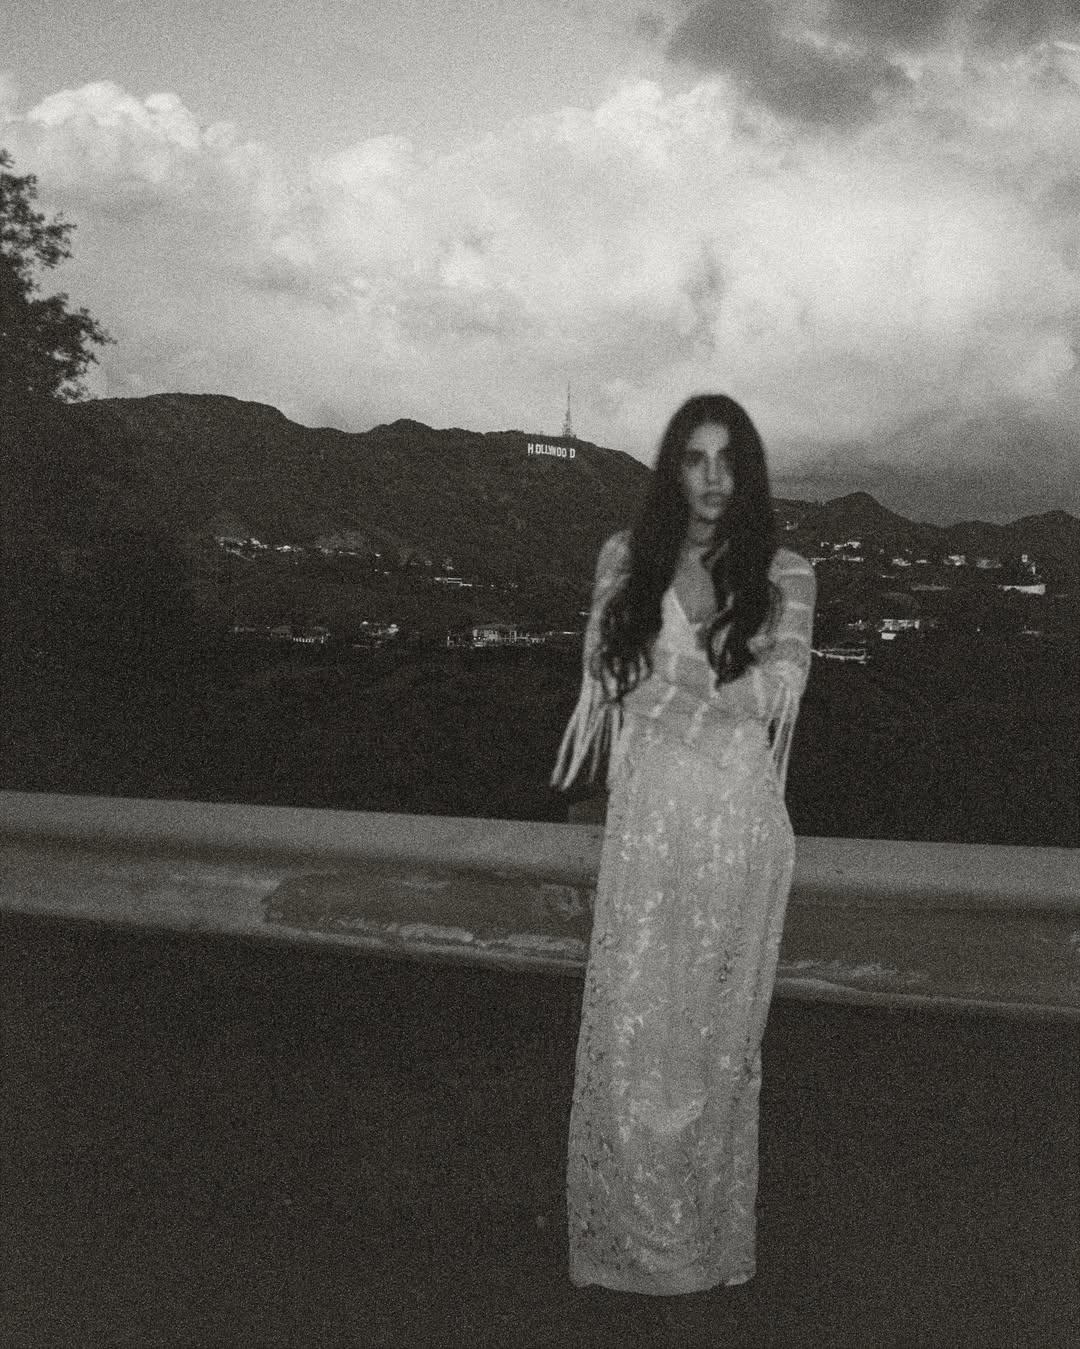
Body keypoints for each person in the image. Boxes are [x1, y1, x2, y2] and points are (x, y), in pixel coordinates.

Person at [551, 393, 816, 1295]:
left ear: (749, 472)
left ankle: (701, 1247)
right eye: (695, 458)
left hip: (739, 825)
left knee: (716, 1042)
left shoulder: (789, 572)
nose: (712, 478)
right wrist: (714, 690)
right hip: (652, 820)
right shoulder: (624, 559)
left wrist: (666, 678)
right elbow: (609, 670)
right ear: (672, 468)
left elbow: (780, 689)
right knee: (635, 1031)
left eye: (727, 459)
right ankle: (634, 1247)